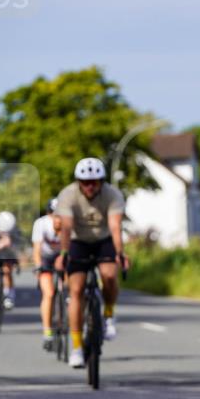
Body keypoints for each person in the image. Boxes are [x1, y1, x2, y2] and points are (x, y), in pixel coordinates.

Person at [54, 157, 129, 368]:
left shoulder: (112, 195)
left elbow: (115, 226)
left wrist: (120, 253)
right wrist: (64, 253)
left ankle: (108, 315)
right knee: (76, 290)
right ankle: (77, 347)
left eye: (94, 182)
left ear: (101, 181)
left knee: (109, 275)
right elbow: (66, 228)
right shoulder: (68, 195)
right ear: (78, 182)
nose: (89, 186)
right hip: (78, 241)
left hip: (103, 239)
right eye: (85, 182)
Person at [32, 198, 63, 350]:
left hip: (62, 256)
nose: (57, 219)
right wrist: (38, 266)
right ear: (48, 214)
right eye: (54, 215)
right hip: (45, 258)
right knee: (49, 293)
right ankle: (47, 331)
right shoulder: (41, 224)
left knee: (73, 285)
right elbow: (37, 249)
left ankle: (68, 307)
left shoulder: (69, 224)